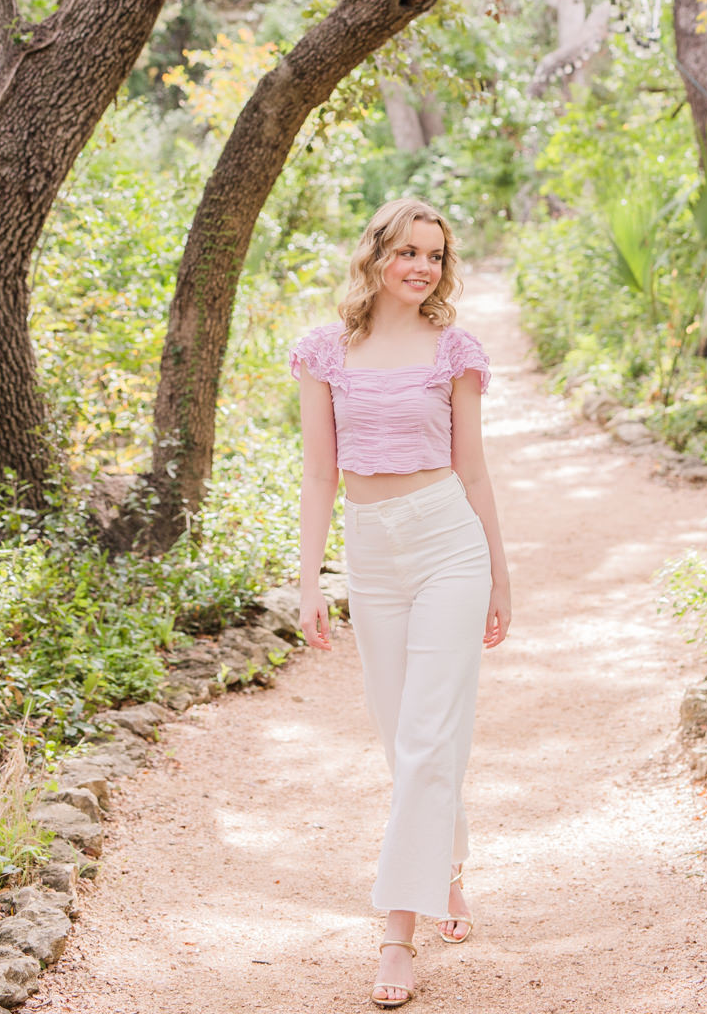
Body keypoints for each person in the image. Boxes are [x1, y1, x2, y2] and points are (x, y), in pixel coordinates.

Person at [291, 196, 511, 1008]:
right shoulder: (326, 351)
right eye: (408, 252)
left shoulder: (453, 350)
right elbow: (319, 474)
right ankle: (445, 861)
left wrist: (500, 573)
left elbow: (475, 472)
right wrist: (310, 579)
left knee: (424, 735)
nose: (422, 267)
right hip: (371, 552)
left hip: (448, 544)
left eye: (435, 256)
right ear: (376, 253)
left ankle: (396, 931)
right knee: (401, 734)